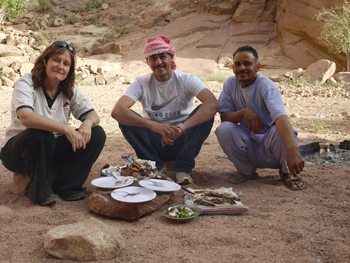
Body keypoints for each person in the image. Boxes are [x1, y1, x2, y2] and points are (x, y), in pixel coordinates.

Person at [0, 40, 106, 205]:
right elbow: (26, 116)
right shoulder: (26, 82)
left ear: (69, 70)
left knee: (97, 133)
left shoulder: (70, 89)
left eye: (66, 64)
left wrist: (86, 124)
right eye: (56, 60)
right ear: (45, 61)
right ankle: (39, 191)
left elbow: (93, 115)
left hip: (51, 147)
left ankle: (67, 186)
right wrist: (65, 129)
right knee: (40, 133)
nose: (60, 66)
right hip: (20, 151)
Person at [111, 35, 219, 185]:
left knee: (205, 114)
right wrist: (153, 125)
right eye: (153, 58)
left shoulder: (186, 79)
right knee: (125, 119)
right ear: (147, 62)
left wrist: (182, 128)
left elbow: (212, 104)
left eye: (163, 57)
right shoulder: (141, 83)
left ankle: (183, 168)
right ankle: (155, 167)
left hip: (183, 139)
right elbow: (118, 111)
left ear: (171, 58)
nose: (158, 62)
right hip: (156, 140)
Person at [215, 45, 305, 190]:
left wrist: (292, 150)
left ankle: (287, 173)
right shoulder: (230, 83)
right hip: (248, 142)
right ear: (232, 68)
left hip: (270, 144)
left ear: (258, 67)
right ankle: (246, 172)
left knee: (281, 131)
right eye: (238, 64)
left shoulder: (265, 85)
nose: (242, 68)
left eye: (247, 63)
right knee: (224, 129)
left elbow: (281, 117)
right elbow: (225, 116)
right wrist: (244, 112)